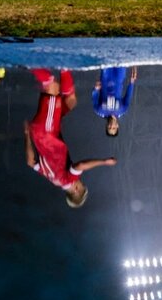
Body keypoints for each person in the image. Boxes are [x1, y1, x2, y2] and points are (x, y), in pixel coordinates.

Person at [24, 68, 116, 208]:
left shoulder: (67, 180)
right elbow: (30, 162)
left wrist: (104, 162)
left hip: (46, 131)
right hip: (46, 131)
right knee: (70, 101)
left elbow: (80, 166)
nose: (80, 182)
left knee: (52, 86)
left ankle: (29, 62)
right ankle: (64, 67)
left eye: (81, 184)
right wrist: (27, 135)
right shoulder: (53, 179)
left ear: (76, 190)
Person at [93, 65, 137, 136]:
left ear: (106, 126)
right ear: (117, 126)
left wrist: (96, 89)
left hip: (106, 77)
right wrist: (132, 83)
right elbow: (128, 95)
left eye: (109, 128)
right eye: (113, 128)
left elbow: (94, 97)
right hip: (119, 77)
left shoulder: (99, 111)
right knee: (121, 58)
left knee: (107, 57)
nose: (111, 126)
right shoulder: (122, 110)